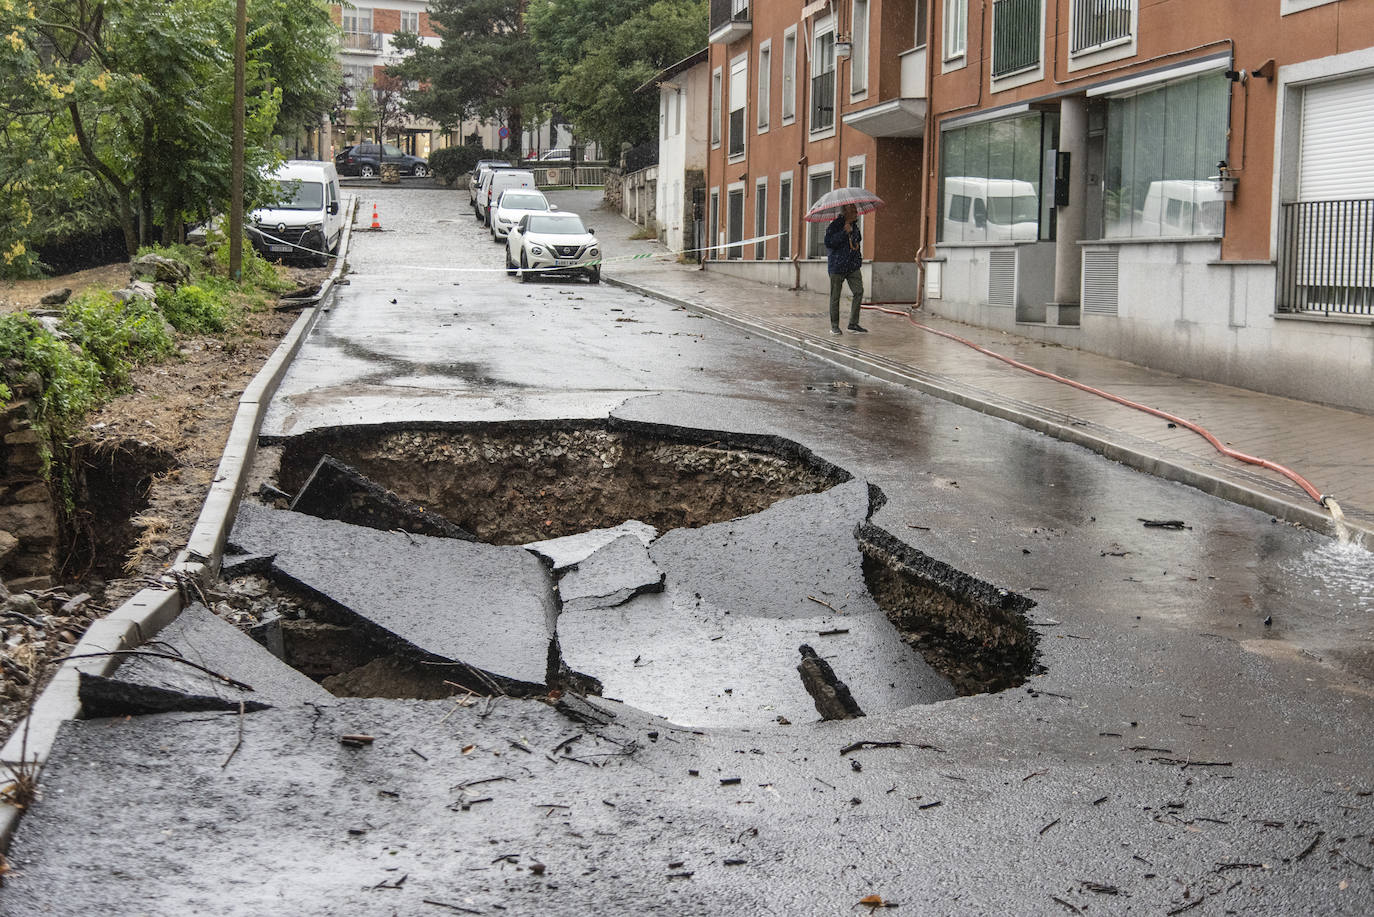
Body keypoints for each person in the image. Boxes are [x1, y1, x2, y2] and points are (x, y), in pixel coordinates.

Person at [824, 203, 867, 335]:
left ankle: (853, 324)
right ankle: (835, 326)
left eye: (856, 210)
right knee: (835, 297)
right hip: (837, 266)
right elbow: (829, 242)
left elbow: (857, 240)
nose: (856, 212)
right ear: (845, 212)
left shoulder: (855, 225)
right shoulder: (835, 225)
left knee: (858, 291)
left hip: (852, 266)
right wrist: (844, 232)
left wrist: (853, 232)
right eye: (853, 210)